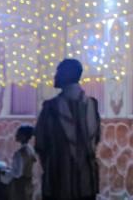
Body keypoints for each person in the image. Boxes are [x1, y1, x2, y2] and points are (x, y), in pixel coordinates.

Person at [34, 59, 101, 200]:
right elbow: (97, 139)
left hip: (57, 183)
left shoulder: (51, 108)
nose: (55, 76)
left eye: (58, 72)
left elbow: (40, 144)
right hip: (87, 183)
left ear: (66, 75)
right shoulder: (92, 105)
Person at [1, 125, 37, 200]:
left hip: (20, 185)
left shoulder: (19, 153)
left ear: (24, 136)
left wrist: (5, 172)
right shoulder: (30, 150)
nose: (16, 135)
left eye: (18, 133)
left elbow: (17, 174)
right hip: (28, 184)